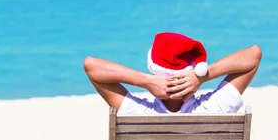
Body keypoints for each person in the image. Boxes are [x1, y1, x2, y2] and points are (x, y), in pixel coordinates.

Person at [83, 32, 262, 114]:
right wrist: (202, 76)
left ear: (154, 71)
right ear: (192, 71)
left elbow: (91, 66)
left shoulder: (138, 113)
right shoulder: (214, 108)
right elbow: (253, 54)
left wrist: (145, 81)